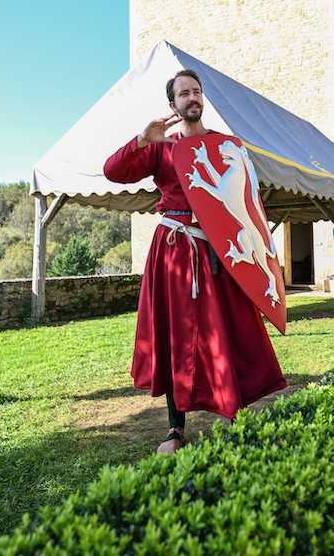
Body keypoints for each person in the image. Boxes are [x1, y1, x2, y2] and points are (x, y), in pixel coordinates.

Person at [103, 69, 286, 455]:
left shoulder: (225, 146)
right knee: (175, 335)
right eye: (184, 93)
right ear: (173, 105)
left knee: (231, 330)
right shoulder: (161, 148)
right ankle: (175, 428)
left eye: (196, 91)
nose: (192, 97)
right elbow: (113, 171)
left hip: (219, 251)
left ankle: (235, 414)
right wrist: (141, 139)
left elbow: (243, 204)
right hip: (174, 249)